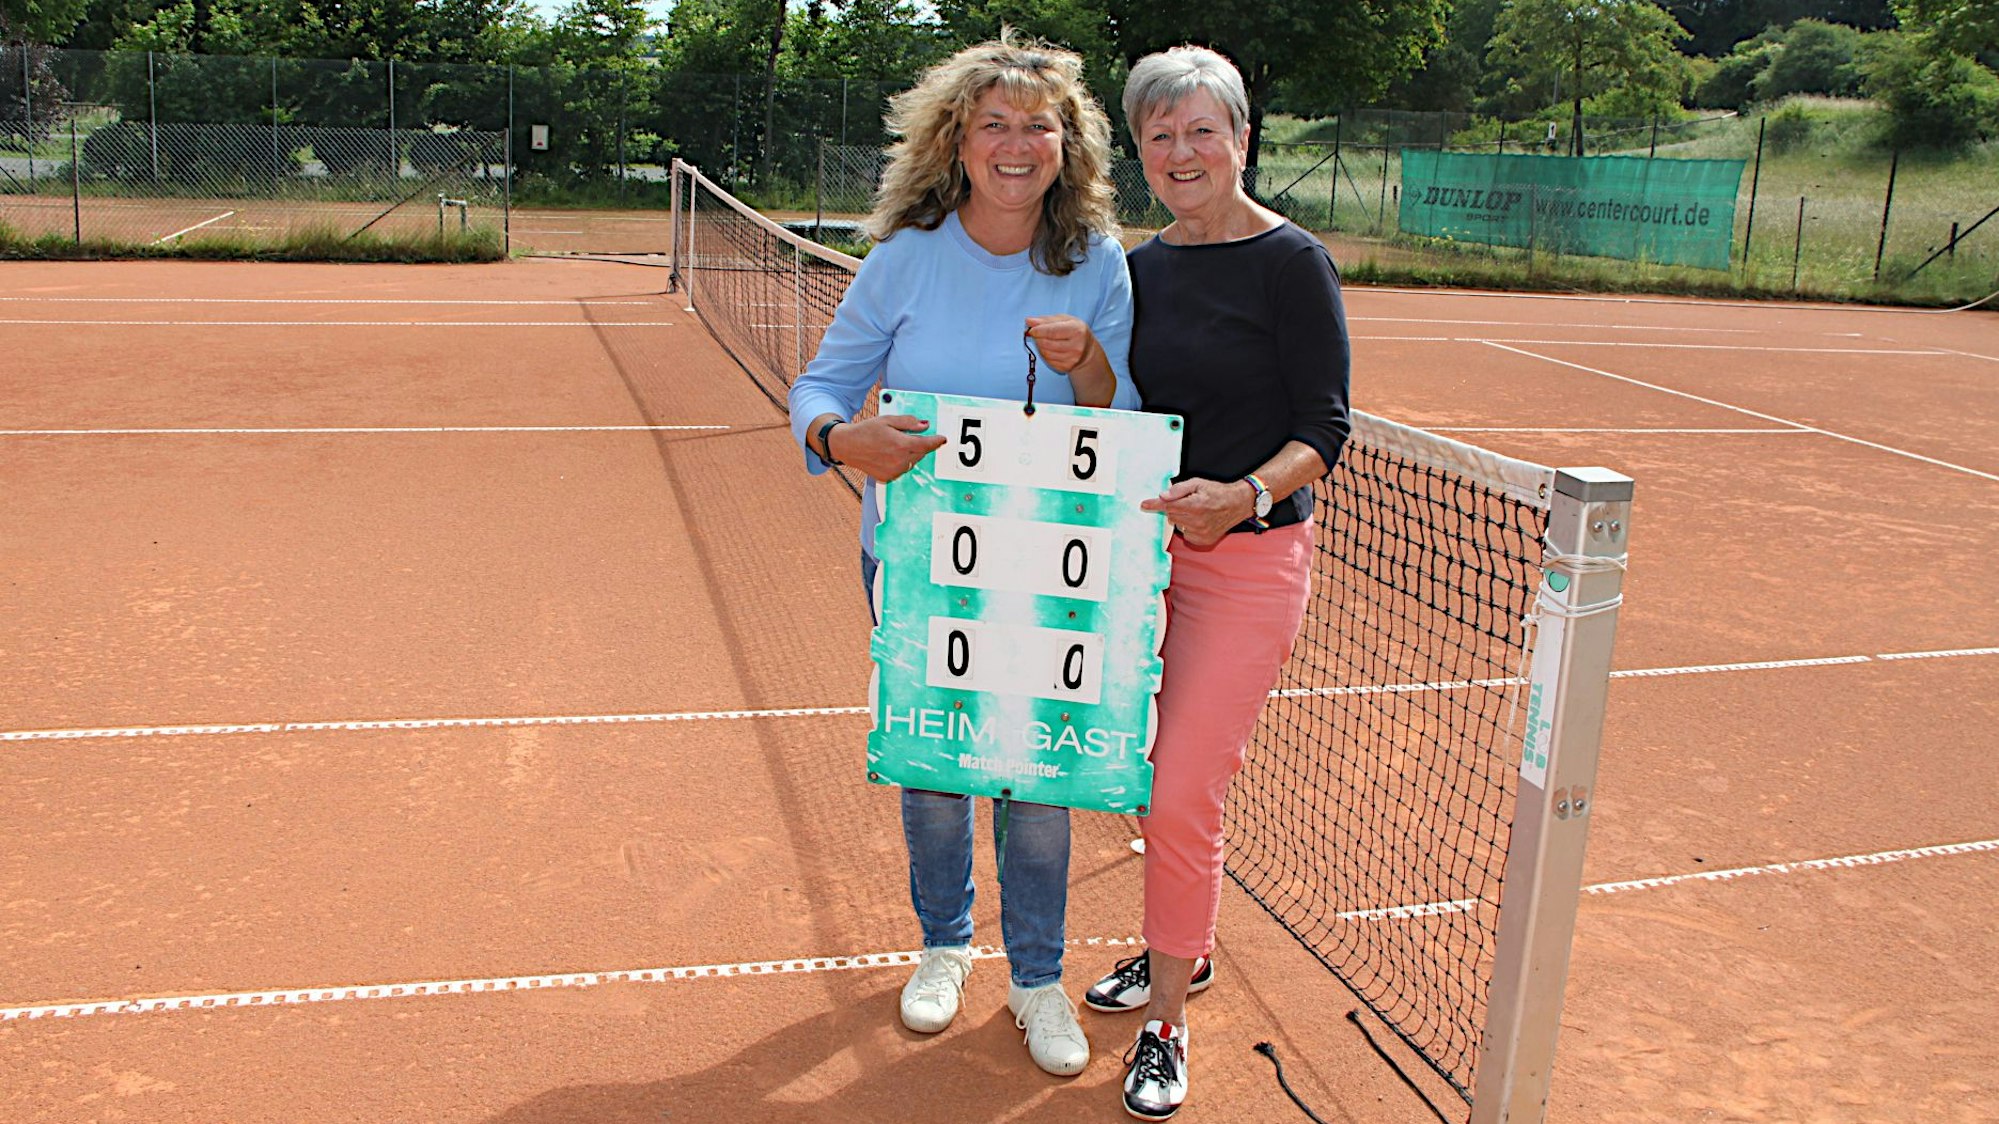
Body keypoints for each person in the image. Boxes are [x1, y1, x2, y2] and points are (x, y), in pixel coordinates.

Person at [786, 34, 1138, 1078]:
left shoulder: (1097, 262)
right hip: (914, 558)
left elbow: (1121, 415)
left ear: (1066, 145)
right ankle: (943, 943)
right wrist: (838, 439)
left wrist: (1090, 363)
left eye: (1038, 125)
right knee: (935, 761)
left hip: (1047, 563)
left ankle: (1035, 976)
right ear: (957, 141)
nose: (1016, 143)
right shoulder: (904, 257)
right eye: (994, 124)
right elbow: (819, 388)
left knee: (1035, 773)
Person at [1082, 46, 1351, 1121]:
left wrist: (1242, 495)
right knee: (1139, 774)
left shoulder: (1293, 263)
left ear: (1241, 137)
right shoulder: (1137, 267)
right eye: (1160, 135)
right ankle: (1179, 947)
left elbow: (1323, 427)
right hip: (1142, 560)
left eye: (1202, 130)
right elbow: (1119, 403)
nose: (1181, 152)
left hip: (1248, 564)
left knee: (1184, 785)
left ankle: (1165, 1021)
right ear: (1140, 151)